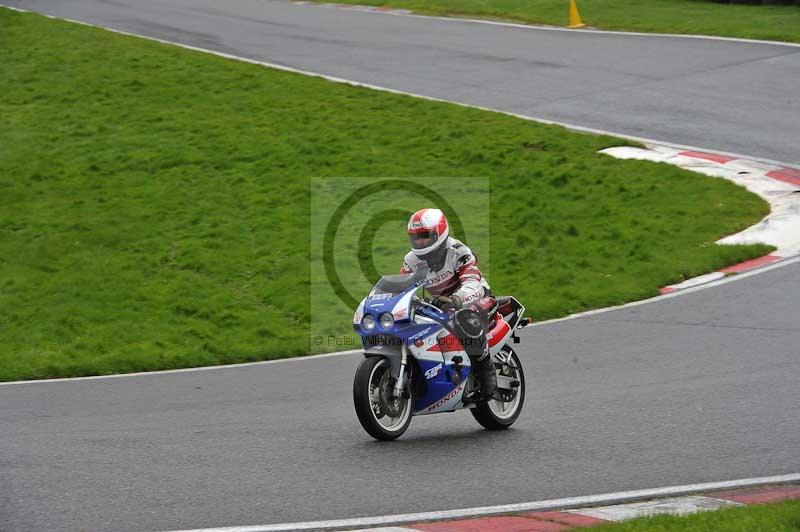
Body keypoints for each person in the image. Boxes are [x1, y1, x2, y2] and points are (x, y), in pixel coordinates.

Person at [401, 208, 499, 401]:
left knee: (465, 316)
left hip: (477, 299)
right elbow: (403, 288)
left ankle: (486, 371)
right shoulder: (411, 261)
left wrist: (457, 299)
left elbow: (473, 282)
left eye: (424, 236)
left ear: (440, 233)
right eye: (415, 237)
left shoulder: (459, 252)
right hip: (441, 306)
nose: (419, 241)